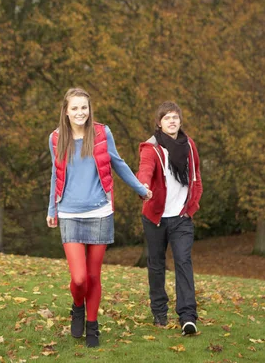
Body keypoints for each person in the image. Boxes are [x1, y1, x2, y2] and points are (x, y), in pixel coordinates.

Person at [47, 87, 152, 348]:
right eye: (75, 108)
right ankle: (77, 306)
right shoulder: (56, 138)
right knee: (79, 278)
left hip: (100, 212)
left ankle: (92, 327)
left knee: (93, 276)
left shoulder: (102, 133)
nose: (80, 112)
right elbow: (55, 175)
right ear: (66, 111)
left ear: (89, 109)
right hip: (69, 212)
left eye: (84, 107)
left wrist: (141, 188)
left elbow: (118, 163)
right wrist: (52, 209)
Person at [137, 101, 203, 336]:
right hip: (155, 217)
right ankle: (159, 312)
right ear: (159, 123)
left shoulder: (189, 146)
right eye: (167, 118)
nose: (172, 121)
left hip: (181, 217)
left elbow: (196, 177)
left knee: (183, 262)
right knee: (156, 265)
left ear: (180, 121)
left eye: (175, 117)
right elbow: (145, 169)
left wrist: (191, 207)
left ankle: (187, 316)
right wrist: (143, 185)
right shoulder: (151, 148)